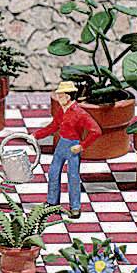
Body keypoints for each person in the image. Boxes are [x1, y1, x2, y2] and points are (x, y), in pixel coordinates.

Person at [32, 80, 102, 217]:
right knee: (53, 172)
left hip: (73, 146)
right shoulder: (61, 111)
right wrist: (36, 135)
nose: (58, 98)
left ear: (68, 96)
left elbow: (96, 131)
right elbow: (53, 127)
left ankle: (75, 207)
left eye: (60, 95)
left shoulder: (80, 113)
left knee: (73, 176)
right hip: (61, 145)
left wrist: (82, 146)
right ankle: (52, 203)